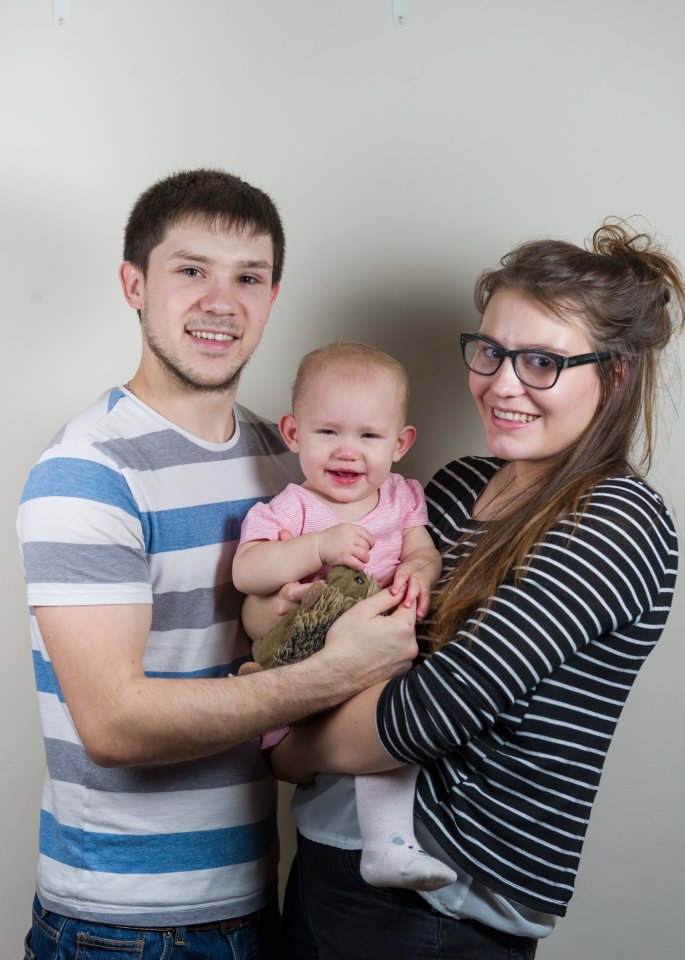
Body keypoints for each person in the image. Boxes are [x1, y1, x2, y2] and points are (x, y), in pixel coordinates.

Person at [16, 169, 417, 960]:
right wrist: (333, 673)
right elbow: (114, 724)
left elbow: (383, 542)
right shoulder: (89, 470)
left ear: (272, 297)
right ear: (134, 283)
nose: (221, 302)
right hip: (121, 925)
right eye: (190, 270)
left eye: (249, 277)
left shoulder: (289, 457)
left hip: (258, 896)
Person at [260, 221, 685, 959]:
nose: (501, 383)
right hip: (328, 857)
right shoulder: (452, 487)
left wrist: (279, 749)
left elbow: (425, 715)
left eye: (542, 362)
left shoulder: (617, 519)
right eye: (489, 351)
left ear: (613, 376)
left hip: (440, 905)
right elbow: (316, 619)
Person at [233, 340, 456, 891]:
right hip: (308, 663)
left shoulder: (404, 499)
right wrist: (317, 548)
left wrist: (420, 573)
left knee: (395, 718)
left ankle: (386, 845)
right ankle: (380, 844)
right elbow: (248, 570)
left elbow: (424, 551)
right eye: (328, 432)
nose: (347, 452)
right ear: (293, 433)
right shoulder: (294, 508)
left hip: (376, 661)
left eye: (369, 436)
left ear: (401, 443)